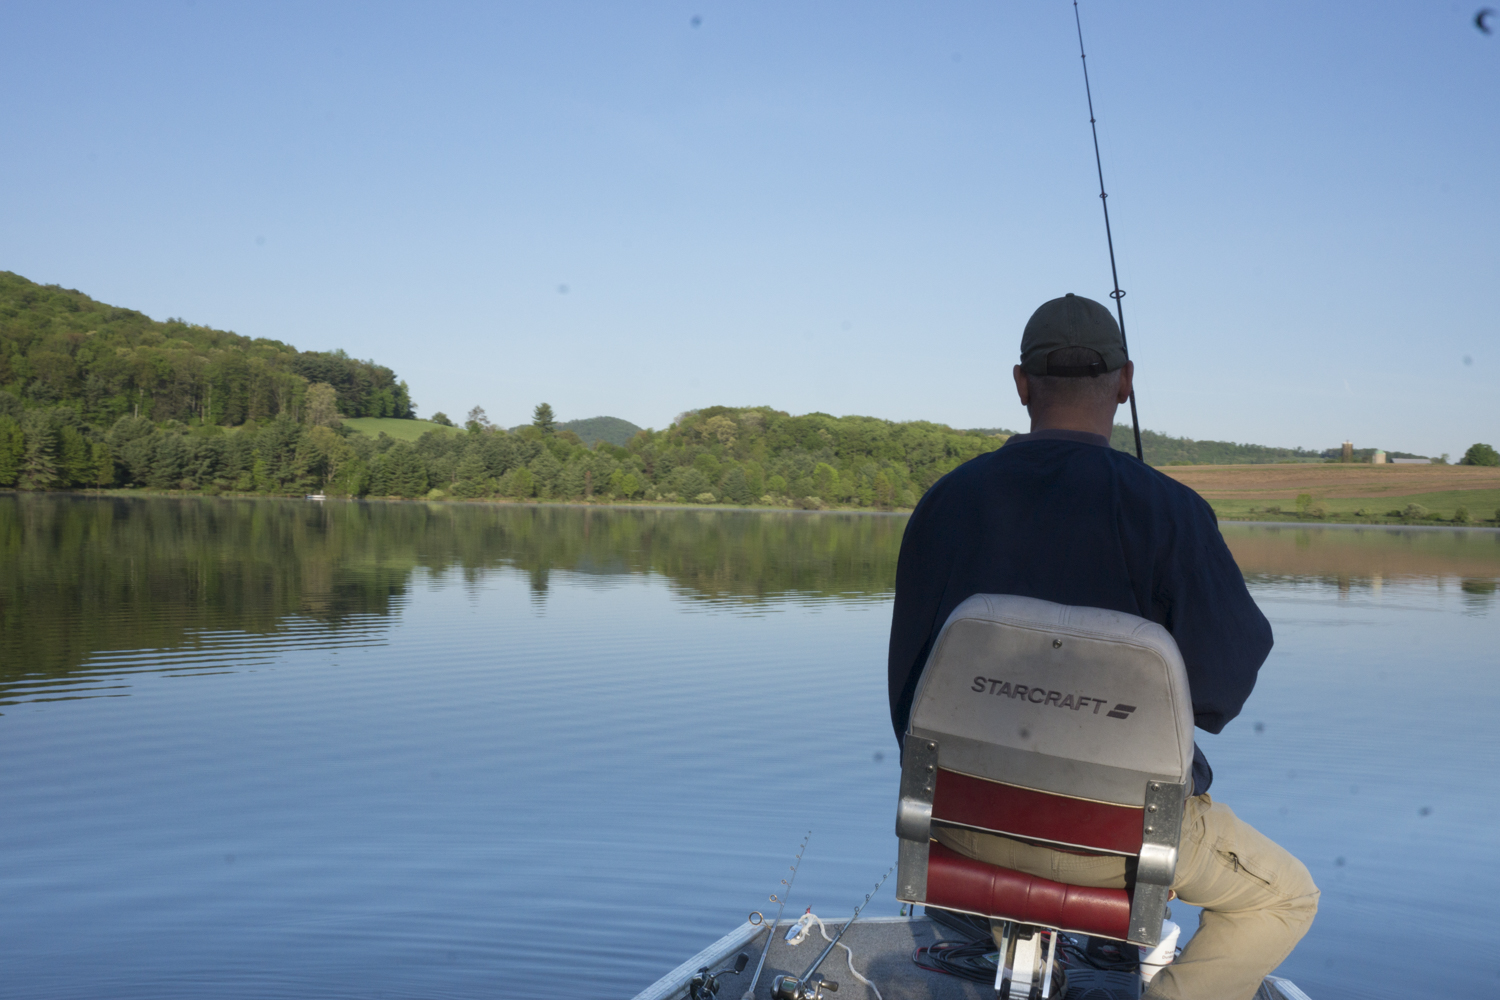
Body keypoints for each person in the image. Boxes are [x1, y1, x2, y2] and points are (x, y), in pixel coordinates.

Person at [887, 293, 1318, 1000]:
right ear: (1124, 383)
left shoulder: (944, 504)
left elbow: (908, 699)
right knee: (1284, 898)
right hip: (1120, 845)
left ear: (1022, 384)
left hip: (958, 827)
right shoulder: (1173, 513)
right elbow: (1218, 694)